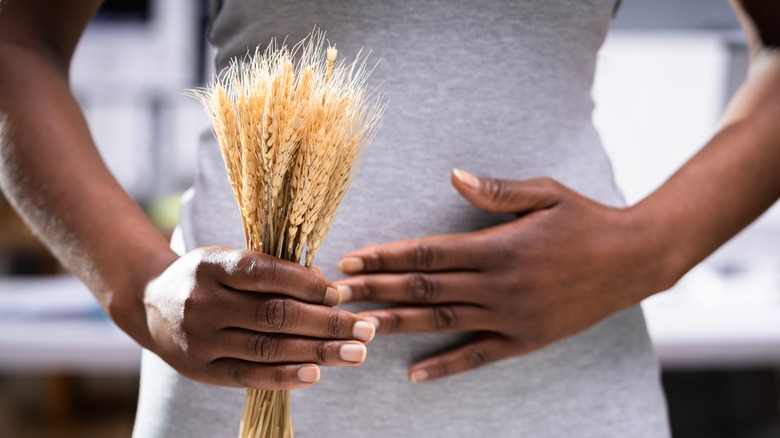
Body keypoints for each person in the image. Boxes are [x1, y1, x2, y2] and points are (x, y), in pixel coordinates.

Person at [1, 0, 778, 436]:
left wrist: (651, 249)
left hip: (565, 400)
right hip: (242, 396)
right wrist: (140, 289)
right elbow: (17, 35)